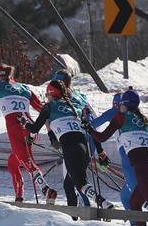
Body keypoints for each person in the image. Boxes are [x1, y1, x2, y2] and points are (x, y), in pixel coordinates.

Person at [0, 64, 53, 203]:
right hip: (31, 127)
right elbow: (43, 109)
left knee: (28, 163)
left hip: (15, 127)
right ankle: (19, 198)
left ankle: (46, 190)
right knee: (13, 163)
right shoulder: (25, 88)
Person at [85, 89, 148, 221]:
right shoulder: (147, 120)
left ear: (123, 104)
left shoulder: (120, 116)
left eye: (120, 105)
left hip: (141, 167)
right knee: (133, 203)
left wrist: (88, 127)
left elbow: (101, 137)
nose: (118, 107)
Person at [23, 80, 112, 209]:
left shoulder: (49, 107)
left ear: (52, 94)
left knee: (80, 183)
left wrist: (24, 122)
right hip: (84, 148)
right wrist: (100, 151)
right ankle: (73, 218)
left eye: (47, 94)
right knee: (68, 185)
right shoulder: (75, 105)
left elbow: (34, 128)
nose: (46, 97)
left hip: (70, 148)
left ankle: (104, 203)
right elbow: (90, 129)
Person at [92, 92, 137, 210]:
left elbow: (94, 124)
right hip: (143, 152)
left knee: (136, 192)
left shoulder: (114, 112)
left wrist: (86, 119)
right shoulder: (136, 115)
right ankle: (136, 225)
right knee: (125, 196)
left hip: (126, 152)